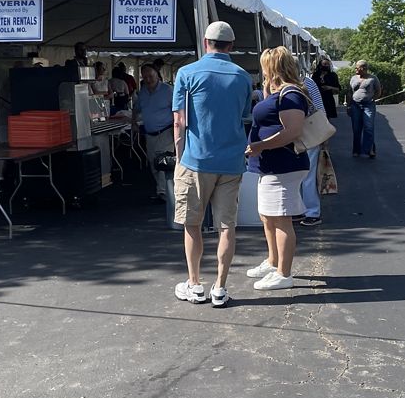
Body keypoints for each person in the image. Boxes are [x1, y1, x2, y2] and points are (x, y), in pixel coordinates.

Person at [171, 21, 253, 309]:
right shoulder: (243, 77)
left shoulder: (186, 73)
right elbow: (244, 116)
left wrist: (178, 157)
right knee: (226, 226)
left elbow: (179, 121)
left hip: (195, 160)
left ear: (206, 43)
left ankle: (194, 284)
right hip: (231, 161)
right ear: (231, 46)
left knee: (192, 224)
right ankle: (220, 286)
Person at [244, 46, 310, 291]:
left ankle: (284, 272)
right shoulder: (277, 91)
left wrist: (260, 145)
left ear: (273, 66)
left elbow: (292, 131)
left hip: (284, 164)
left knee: (281, 219)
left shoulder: (291, 94)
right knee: (268, 216)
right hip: (272, 165)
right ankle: (274, 262)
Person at [132, 63, 174, 204]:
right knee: (153, 163)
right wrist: (133, 122)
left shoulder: (168, 90)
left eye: (151, 76)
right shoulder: (142, 92)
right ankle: (162, 190)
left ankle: (165, 193)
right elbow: (136, 109)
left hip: (166, 131)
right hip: (150, 134)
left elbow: (178, 109)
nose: (148, 79)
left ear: (157, 75)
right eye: (145, 77)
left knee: (163, 161)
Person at [296, 70, 326, 227]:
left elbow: (319, 107)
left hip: (306, 133)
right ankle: (307, 211)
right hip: (308, 133)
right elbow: (320, 107)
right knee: (305, 174)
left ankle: (311, 211)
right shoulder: (307, 82)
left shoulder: (304, 83)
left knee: (305, 174)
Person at [348, 60, 382, 158]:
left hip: (368, 105)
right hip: (355, 105)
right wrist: (349, 106)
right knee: (356, 128)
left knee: (368, 127)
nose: (355, 70)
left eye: (357, 68)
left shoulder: (373, 78)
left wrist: (373, 99)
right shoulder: (353, 78)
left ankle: (370, 149)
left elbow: (378, 90)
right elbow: (349, 92)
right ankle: (356, 150)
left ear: (363, 68)